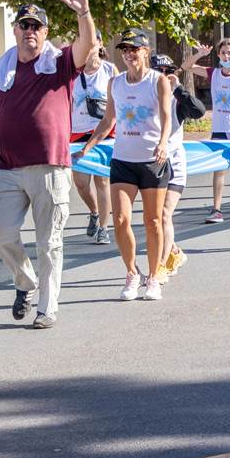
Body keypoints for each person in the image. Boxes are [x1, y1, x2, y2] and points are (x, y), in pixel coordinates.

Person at [0, 0, 99, 329]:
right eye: (25, 25)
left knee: (50, 242)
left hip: (50, 167)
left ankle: (47, 307)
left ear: (45, 32)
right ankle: (25, 282)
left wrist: (84, 13)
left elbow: (86, 45)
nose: (30, 30)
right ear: (15, 30)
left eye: (37, 26)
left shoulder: (58, 63)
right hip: (9, 167)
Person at [77, 29, 171, 301]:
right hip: (123, 160)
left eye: (134, 49)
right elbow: (108, 121)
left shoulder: (158, 81)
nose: (129, 54)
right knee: (120, 220)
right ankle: (132, 273)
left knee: (153, 221)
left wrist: (163, 142)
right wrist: (87, 147)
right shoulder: (115, 83)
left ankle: (154, 276)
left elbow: (166, 117)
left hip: (153, 161)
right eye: (125, 49)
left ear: (145, 51)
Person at [182, 39, 230, 223]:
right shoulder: (213, 73)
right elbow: (186, 66)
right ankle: (216, 209)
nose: (226, 56)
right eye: (223, 53)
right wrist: (200, 54)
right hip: (219, 130)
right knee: (218, 169)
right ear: (219, 55)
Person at [70, 41, 117, 245]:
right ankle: (94, 212)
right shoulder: (72, 70)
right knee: (80, 182)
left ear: (99, 44)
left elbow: (119, 98)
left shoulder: (109, 69)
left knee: (102, 181)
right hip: (77, 131)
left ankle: (104, 228)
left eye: (92, 42)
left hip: (104, 130)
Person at [150, 54, 188, 280]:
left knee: (164, 214)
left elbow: (198, 110)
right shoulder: (144, 96)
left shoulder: (177, 99)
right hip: (151, 164)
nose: (163, 76)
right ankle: (174, 251)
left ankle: (161, 266)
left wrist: (180, 89)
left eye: (167, 71)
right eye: (158, 71)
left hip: (174, 163)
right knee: (154, 216)